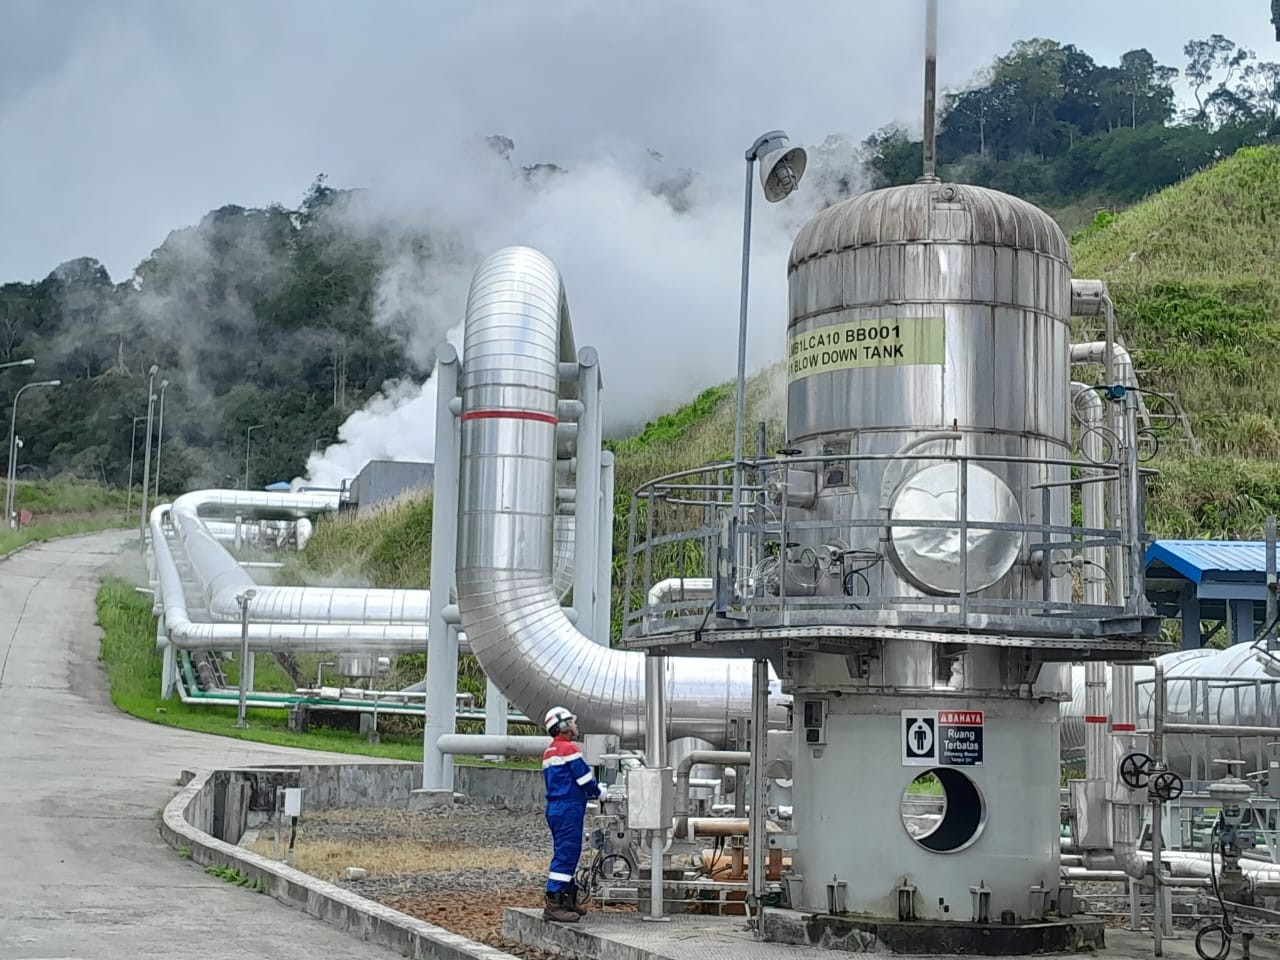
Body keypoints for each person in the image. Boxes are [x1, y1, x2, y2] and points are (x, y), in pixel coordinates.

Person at [541, 705, 607, 923]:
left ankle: (567, 899)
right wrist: (600, 793)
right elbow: (585, 779)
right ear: (562, 726)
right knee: (566, 855)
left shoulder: (550, 750)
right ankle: (554, 903)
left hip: (558, 808)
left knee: (568, 853)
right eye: (571, 722)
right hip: (568, 808)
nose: (575, 725)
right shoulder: (568, 749)